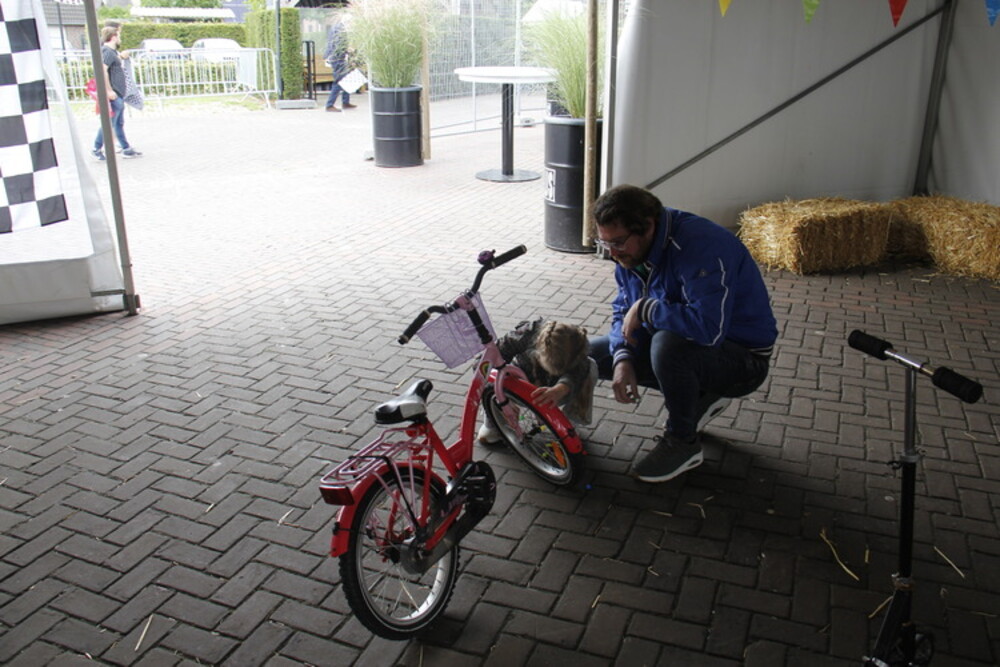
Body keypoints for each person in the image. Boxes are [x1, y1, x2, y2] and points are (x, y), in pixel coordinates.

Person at [589, 184, 777, 483]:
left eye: (618, 242)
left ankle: (683, 442)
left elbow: (708, 329)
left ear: (648, 226)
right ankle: (700, 397)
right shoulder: (628, 254)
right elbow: (624, 309)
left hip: (743, 358)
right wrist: (622, 356)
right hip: (688, 343)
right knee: (590, 354)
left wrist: (647, 308)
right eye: (604, 242)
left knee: (669, 347)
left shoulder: (703, 246)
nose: (612, 253)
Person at [478, 319, 597, 444]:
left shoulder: (577, 342)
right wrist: (501, 399)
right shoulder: (524, 335)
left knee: (591, 367)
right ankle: (493, 423)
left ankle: (570, 423)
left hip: (555, 391)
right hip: (520, 385)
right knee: (491, 385)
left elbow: (582, 368)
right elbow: (482, 366)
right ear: (538, 349)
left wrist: (562, 387)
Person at [93, 27, 141, 161]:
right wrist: (109, 90)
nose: (120, 39)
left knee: (117, 123)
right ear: (113, 37)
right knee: (110, 123)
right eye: (118, 36)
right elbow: (102, 70)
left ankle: (126, 148)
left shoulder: (111, 52)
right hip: (114, 93)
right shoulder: (107, 52)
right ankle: (96, 148)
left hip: (118, 93)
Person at [323, 20, 356, 113]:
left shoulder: (337, 27)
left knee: (346, 79)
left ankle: (345, 102)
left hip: (337, 58)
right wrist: (347, 50)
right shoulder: (340, 30)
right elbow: (338, 46)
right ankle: (329, 105)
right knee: (339, 81)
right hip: (337, 59)